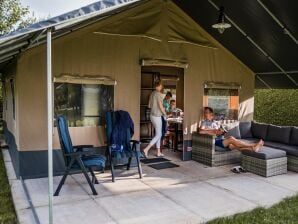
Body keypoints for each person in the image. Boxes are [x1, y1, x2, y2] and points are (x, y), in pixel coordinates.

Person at [199, 107, 264, 152]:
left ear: (211, 113)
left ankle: (253, 149)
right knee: (231, 138)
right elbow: (201, 131)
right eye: (205, 112)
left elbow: (219, 130)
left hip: (221, 138)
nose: (205, 114)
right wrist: (212, 131)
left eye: (207, 112)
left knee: (235, 147)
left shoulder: (216, 122)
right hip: (215, 141)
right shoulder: (204, 122)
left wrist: (221, 131)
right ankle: (253, 145)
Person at [143, 81, 167, 158]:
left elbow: (149, 105)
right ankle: (146, 149)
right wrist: (165, 113)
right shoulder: (158, 94)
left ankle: (158, 152)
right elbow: (160, 106)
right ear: (159, 86)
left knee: (158, 133)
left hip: (152, 115)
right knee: (159, 134)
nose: (161, 87)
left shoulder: (152, 93)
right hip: (157, 116)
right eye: (161, 86)